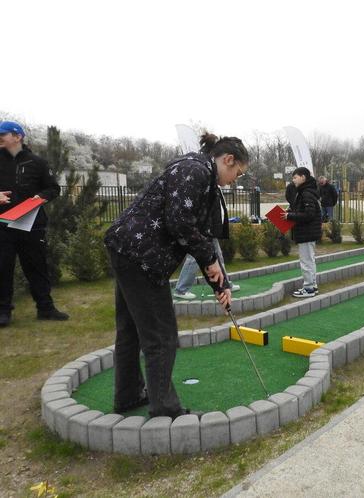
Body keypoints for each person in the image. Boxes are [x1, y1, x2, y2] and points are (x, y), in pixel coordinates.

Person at [104, 134, 248, 418]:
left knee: (131, 329)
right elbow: (180, 223)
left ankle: (129, 395)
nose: (235, 179)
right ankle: (165, 409)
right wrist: (209, 261)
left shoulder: (201, 173)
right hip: (141, 257)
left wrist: (220, 283)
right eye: (238, 172)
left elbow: (202, 235)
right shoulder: (195, 170)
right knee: (162, 336)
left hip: (129, 250)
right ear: (228, 160)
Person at [0, 121, 69, 327]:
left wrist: (40, 197)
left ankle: (45, 309)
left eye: (3, 134)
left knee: (37, 268)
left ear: (18, 136)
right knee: (2, 269)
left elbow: (53, 188)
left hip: (32, 225)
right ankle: (3, 312)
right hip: (2, 226)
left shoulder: (37, 162)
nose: (0, 137)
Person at [281, 167, 322, 298]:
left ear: (303, 177)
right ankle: (312, 286)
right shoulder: (306, 191)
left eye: (295, 177)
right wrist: (291, 213)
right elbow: (304, 211)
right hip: (307, 232)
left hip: (307, 232)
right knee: (309, 260)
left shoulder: (306, 193)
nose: (293, 180)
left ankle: (309, 287)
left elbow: (309, 214)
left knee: (306, 261)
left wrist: (290, 216)